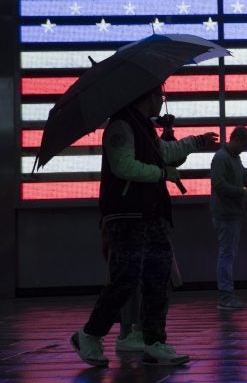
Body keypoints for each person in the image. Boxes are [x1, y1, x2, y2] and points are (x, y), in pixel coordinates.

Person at [69, 85, 218, 367]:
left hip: (152, 214)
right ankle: (89, 334)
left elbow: (166, 150)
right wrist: (162, 173)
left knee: (158, 279)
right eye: (159, 97)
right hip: (126, 216)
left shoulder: (144, 128)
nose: (162, 102)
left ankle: (155, 341)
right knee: (125, 280)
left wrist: (196, 141)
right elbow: (123, 166)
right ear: (146, 97)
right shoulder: (120, 127)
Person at [210, 125, 247, 310]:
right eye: (244, 144)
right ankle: (225, 297)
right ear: (236, 140)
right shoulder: (221, 158)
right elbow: (220, 186)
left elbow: (244, 176)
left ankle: (227, 295)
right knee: (226, 255)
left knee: (228, 254)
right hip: (225, 213)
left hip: (231, 212)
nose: (244, 148)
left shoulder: (233, 157)